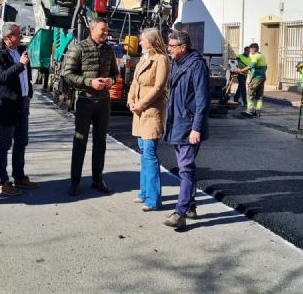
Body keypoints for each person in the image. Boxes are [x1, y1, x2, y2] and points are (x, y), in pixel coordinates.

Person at [62, 18, 119, 196]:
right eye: (102, 30)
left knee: (100, 142)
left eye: (106, 30)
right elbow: (67, 74)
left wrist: (112, 81)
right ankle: (75, 182)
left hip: (103, 102)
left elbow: (115, 74)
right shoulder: (78, 48)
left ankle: (97, 179)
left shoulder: (109, 49)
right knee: (80, 142)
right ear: (92, 29)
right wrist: (89, 82)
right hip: (85, 101)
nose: (105, 33)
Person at [163, 30, 210, 229]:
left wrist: (196, 128)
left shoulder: (197, 66)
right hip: (177, 124)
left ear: (183, 47)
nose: (168, 49)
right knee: (186, 167)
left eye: (172, 46)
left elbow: (202, 100)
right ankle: (190, 207)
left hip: (189, 126)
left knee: (185, 167)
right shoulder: (177, 63)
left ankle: (180, 213)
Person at [0, 22, 39, 195]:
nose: (21, 37)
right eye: (18, 34)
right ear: (8, 37)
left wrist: (29, 92)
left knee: (21, 141)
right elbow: (0, 77)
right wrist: (20, 65)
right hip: (6, 106)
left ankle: (19, 176)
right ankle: (3, 182)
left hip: (22, 103)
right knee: (4, 144)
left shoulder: (20, 51)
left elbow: (27, 76)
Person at [128, 28, 170, 212]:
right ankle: (144, 192)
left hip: (151, 112)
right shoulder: (142, 60)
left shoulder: (161, 59)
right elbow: (134, 83)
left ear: (152, 41)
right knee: (143, 153)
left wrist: (141, 104)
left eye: (143, 39)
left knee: (149, 154)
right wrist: (130, 101)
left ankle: (154, 199)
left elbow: (159, 87)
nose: (140, 42)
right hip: (139, 113)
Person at [244, 42, 267, 117]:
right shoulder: (262, 56)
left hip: (256, 78)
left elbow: (251, 66)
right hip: (262, 77)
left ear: (255, 49)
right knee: (259, 95)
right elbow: (266, 67)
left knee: (250, 93)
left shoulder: (255, 56)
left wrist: (240, 70)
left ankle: (250, 111)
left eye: (251, 50)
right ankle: (258, 111)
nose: (250, 52)